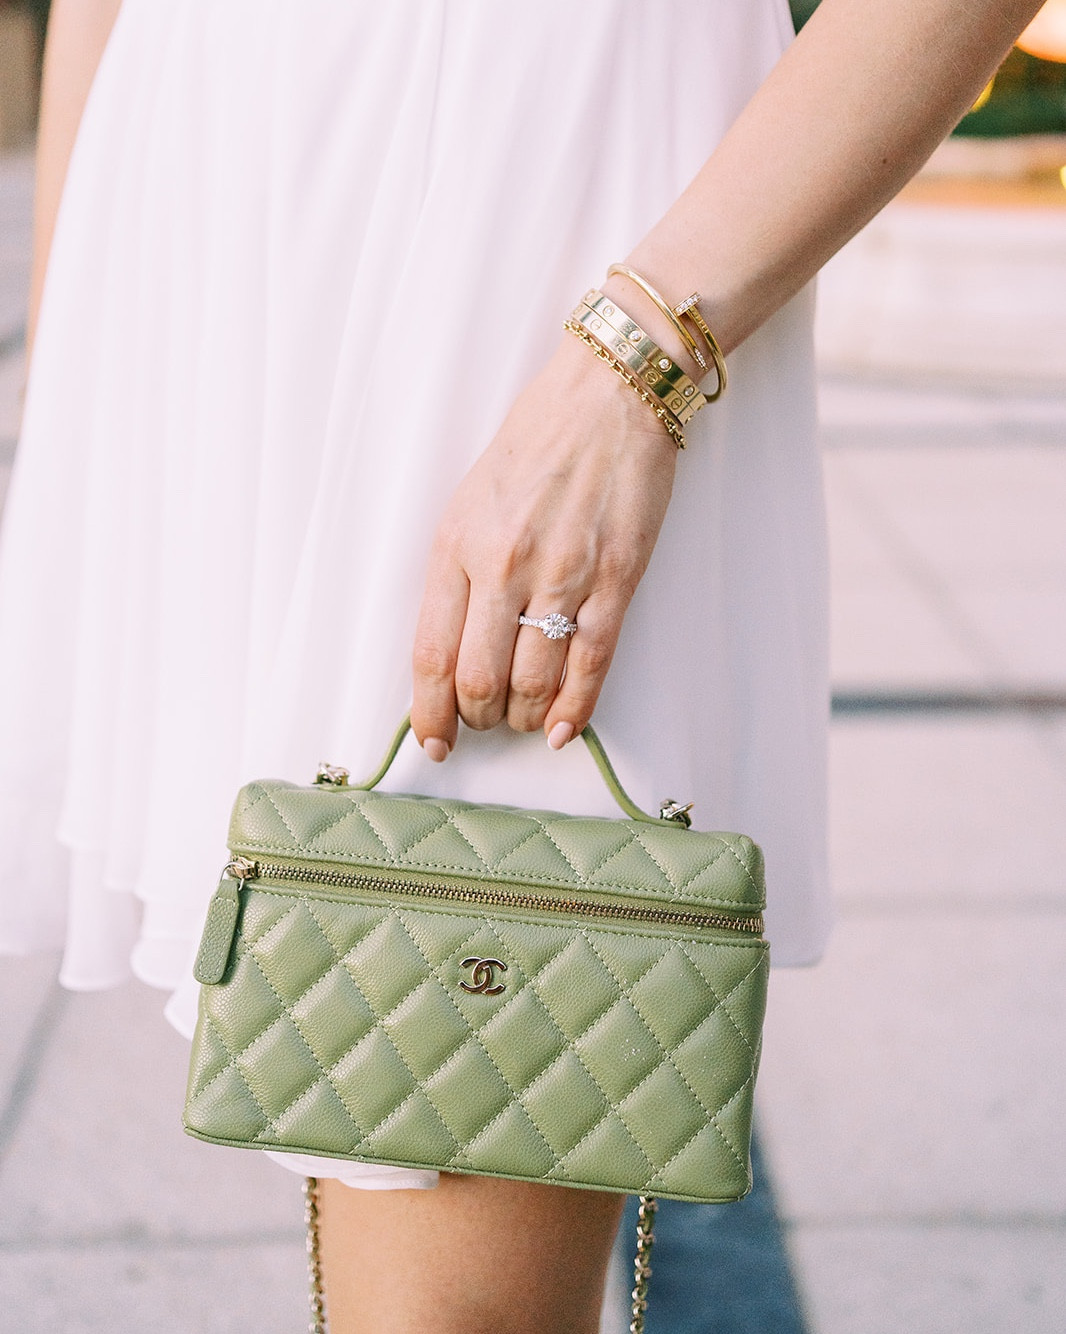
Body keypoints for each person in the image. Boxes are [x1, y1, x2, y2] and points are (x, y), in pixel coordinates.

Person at [0, 1, 1044, 1330]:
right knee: (328, 1046)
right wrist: (80, 378)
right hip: (210, 238)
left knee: (450, 1232)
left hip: (534, 238)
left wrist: (631, 361)